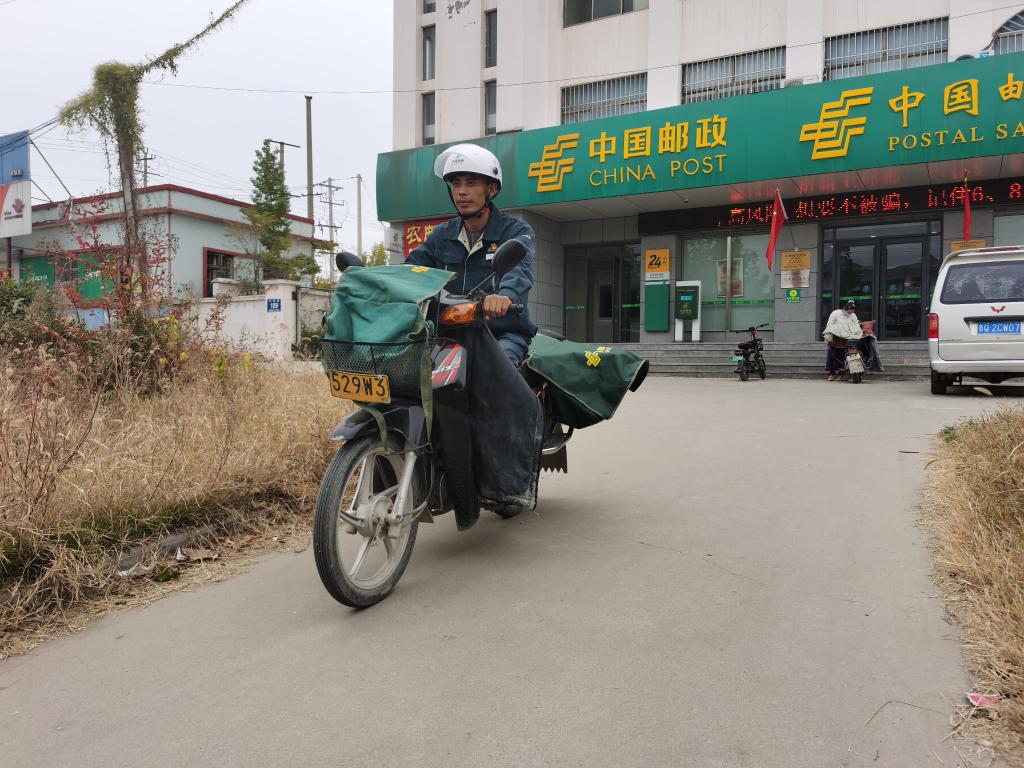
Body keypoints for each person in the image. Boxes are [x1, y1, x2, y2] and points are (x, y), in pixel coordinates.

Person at [406, 143, 537, 365]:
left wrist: (504, 297)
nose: (461, 191)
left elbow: (518, 272)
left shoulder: (515, 232)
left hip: (500, 333)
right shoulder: (441, 235)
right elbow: (410, 270)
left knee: (498, 372)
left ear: (491, 189)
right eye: (456, 184)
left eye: (471, 183)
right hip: (448, 334)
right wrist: (381, 284)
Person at [823, 300, 863, 381]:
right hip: (836, 337)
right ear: (844, 308)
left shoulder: (853, 315)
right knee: (833, 354)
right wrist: (835, 330)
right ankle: (831, 373)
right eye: (848, 311)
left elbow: (855, 325)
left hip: (847, 337)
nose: (850, 313)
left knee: (842, 355)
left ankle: (842, 372)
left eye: (851, 311)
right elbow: (830, 324)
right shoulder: (836, 313)